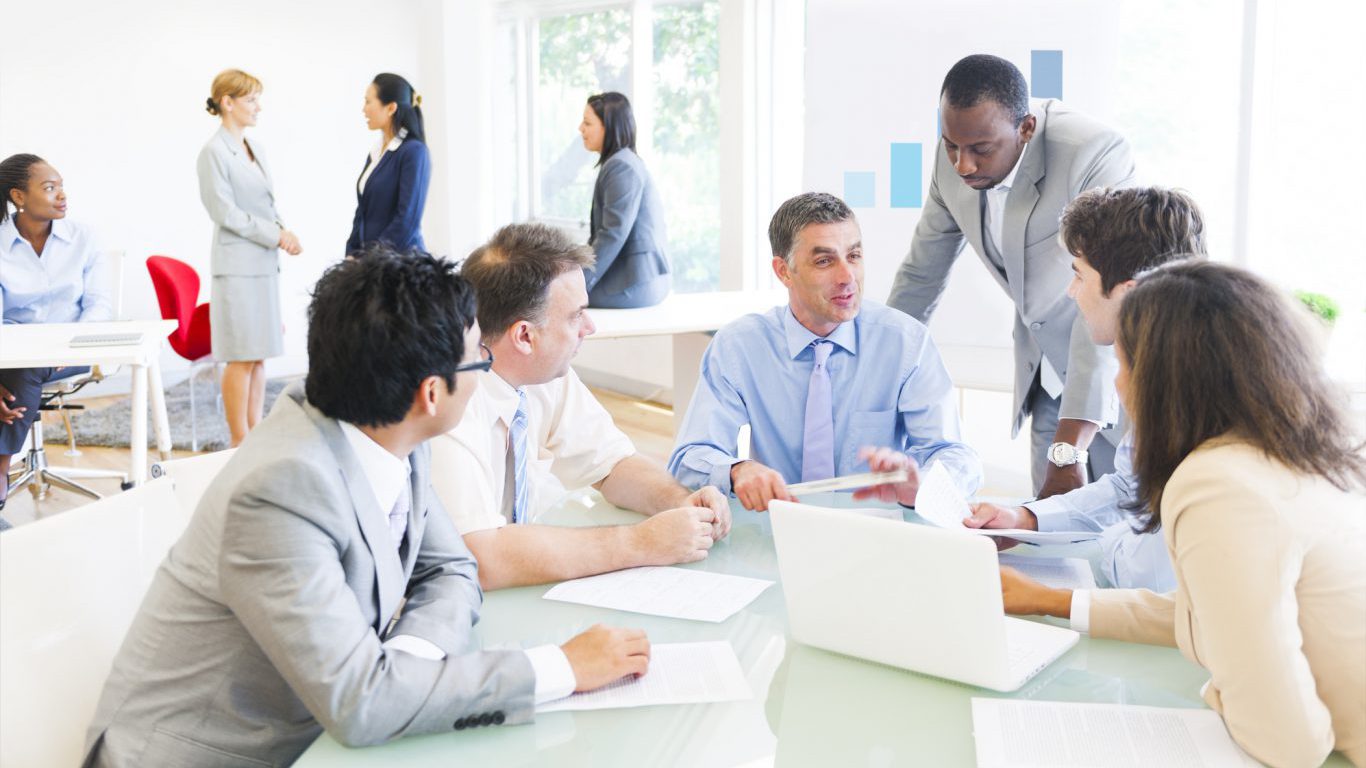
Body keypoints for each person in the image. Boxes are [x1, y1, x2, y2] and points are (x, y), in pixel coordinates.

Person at [83, 250, 652, 767]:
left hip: (325, 729)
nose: (485, 368)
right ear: (431, 394)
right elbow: (362, 706)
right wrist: (560, 669)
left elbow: (451, 570)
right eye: (479, 357)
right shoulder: (279, 491)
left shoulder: (389, 430)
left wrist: (402, 667)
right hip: (216, 754)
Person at [1000, 262, 1366, 768]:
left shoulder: (1218, 483)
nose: (1121, 388)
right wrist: (1051, 601)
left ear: (1171, 378)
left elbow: (1290, 745)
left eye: (1125, 366)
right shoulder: (1292, 456)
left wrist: (1219, 688)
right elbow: (1209, 610)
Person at [887, 54, 1136, 499]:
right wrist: (877, 374)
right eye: (950, 146)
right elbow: (920, 276)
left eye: (981, 149)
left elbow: (1108, 294)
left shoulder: (1094, 153)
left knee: (1132, 530)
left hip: (1116, 370)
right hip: (1043, 375)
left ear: (1025, 129)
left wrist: (1069, 449)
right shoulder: (957, 157)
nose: (962, 164)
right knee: (1054, 534)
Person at [428, 223, 729, 590]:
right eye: (575, 316)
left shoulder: (544, 375)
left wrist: (681, 502)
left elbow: (613, 465)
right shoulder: (449, 407)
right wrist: (640, 542)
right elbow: (479, 557)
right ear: (525, 336)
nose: (590, 327)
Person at [668, 192, 982, 512]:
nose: (847, 278)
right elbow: (689, 457)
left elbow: (956, 456)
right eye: (824, 261)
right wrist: (737, 470)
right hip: (778, 527)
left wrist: (925, 485)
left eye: (854, 256)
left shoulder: (906, 343)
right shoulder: (739, 346)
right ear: (783, 271)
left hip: (879, 530)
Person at [964, 186, 1206, 590]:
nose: (1071, 292)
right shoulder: (1167, 366)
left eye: (1079, 276)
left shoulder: (1192, 399)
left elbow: (1146, 573)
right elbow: (1129, 488)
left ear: (1130, 293)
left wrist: (1093, 549)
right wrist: (1027, 519)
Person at [0, 153, 112, 520]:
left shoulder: (84, 238)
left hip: (73, 350)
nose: (61, 195)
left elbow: (99, 305)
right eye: (50, 188)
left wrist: (70, 342)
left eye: (61, 186)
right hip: (14, 354)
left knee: (23, 372)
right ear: (18, 196)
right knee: (20, 368)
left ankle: (0, 474)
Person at [197, 69, 303, 448]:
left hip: (261, 265)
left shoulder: (254, 148)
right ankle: (238, 441)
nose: (258, 107)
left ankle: (253, 434)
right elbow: (224, 212)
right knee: (240, 357)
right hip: (237, 269)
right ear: (227, 102)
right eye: (251, 99)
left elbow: (262, 204)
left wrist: (283, 231)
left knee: (258, 357)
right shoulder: (213, 152)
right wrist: (276, 235)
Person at [579, 92, 670, 308]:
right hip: (640, 279)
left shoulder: (621, 166)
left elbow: (612, 234)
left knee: (557, 299)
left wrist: (581, 282)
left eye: (587, 123)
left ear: (608, 127)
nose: (580, 129)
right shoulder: (621, 162)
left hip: (638, 282)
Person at [347, 72, 430, 255]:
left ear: (391, 108)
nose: (364, 109)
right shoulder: (377, 152)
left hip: (400, 266)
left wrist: (370, 259)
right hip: (371, 265)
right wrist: (352, 255)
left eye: (369, 102)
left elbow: (407, 220)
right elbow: (362, 212)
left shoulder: (414, 152)